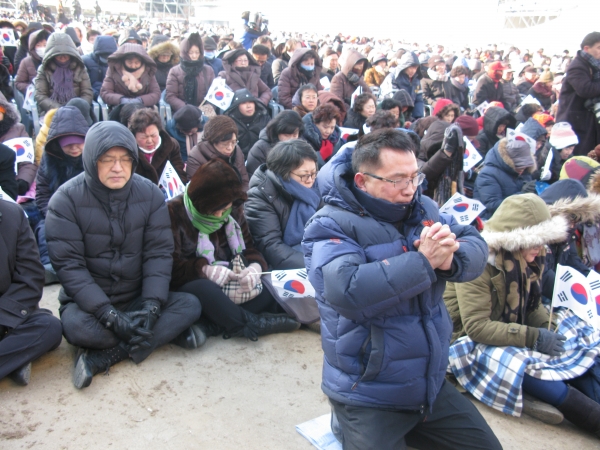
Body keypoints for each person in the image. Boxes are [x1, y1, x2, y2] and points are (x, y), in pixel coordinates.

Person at [302, 128, 501, 450]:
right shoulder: (329, 224)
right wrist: (423, 263)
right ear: (362, 180)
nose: (409, 189)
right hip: (368, 389)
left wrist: (451, 259)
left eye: (414, 177)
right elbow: (346, 291)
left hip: (428, 383)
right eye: (397, 180)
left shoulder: (424, 209)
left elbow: (474, 241)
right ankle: (345, 423)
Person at [45, 121, 202, 389]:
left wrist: (152, 304)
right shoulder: (65, 200)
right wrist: (109, 315)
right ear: (91, 160)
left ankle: (107, 356)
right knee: (75, 328)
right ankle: (158, 336)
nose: (117, 168)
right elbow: (70, 267)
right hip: (90, 307)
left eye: (124, 160)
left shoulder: (150, 193)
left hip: (136, 296)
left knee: (190, 305)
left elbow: (158, 253)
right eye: (107, 160)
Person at [444, 194, 600, 437]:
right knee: (514, 359)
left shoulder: (527, 258)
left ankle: (585, 391)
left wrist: (549, 331)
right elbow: (476, 327)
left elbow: (533, 305)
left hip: (505, 327)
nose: (542, 248)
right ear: (515, 239)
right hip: (463, 340)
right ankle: (589, 416)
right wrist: (533, 337)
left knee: (574, 332)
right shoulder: (478, 262)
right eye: (536, 241)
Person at [168, 158, 300, 344]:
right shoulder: (174, 212)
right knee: (205, 290)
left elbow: (249, 248)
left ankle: (216, 324)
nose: (220, 215)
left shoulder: (234, 210)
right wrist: (204, 270)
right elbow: (168, 268)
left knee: (265, 284)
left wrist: (254, 267)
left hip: (231, 281)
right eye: (215, 210)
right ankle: (249, 323)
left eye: (225, 209)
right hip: (194, 285)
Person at [0, 199, 63, 386]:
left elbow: (31, 277)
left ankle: (12, 359)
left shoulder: (11, 214)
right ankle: (13, 361)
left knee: (49, 327)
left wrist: (3, 316)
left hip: (5, 315)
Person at [246, 139, 321, 270]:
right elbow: (271, 246)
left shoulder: (316, 186)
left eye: (314, 173)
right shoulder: (260, 195)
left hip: (316, 253)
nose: (310, 180)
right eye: (304, 175)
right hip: (284, 266)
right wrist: (317, 265)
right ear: (284, 173)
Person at [557, 32, 600, 156]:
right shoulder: (577, 66)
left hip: (587, 121)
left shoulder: (595, 66)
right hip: (575, 122)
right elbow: (585, 89)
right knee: (580, 158)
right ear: (587, 48)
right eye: (598, 47)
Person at [474, 138, 536, 219]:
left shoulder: (525, 171)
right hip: (493, 220)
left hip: (518, 215)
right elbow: (493, 206)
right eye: (519, 166)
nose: (522, 169)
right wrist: (522, 194)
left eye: (525, 166)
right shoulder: (487, 175)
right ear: (509, 161)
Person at [34, 33, 93, 115]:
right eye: (58, 54)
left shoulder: (80, 68)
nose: (63, 57)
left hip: (77, 112)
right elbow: (41, 96)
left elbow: (87, 93)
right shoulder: (44, 69)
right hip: (52, 112)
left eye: (66, 54)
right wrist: (60, 109)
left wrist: (77, 108)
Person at [186, 115, 249, 190]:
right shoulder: (196, 157)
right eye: (225, 144)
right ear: (213, 142)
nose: (230, 148)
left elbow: (244, 182)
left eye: (233, 142)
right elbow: (198, 192)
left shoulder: (237, 150)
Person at [128, 108, 187, 185]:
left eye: (153, 135)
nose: (149, 141)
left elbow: (178, 172)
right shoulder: (128, 149)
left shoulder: (171, 145)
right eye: (143, 137)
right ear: (135, 136)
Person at [165, 32, 215, 113]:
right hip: (183, 111)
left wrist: (204, 110)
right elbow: (171, 96)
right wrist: (188, 109)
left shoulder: (208, 70)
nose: (194, 56)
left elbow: (213, 95)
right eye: (191, 53)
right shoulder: (174, 71)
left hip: (204, 111)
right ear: (184, 53)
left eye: (197, 52)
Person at [100, 43, 161, 108]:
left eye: (137, 63)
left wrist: (140, 100)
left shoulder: (148, 71)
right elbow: (105, 92)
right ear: (123, 61)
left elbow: (156, 93)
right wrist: (121, 100)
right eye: (129, 62)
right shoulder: (114, 70)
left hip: (144, 108)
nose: (133, 66)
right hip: (120, 107)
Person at [246, 110, 304, 176]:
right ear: (277, 132)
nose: (291, 139)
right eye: (286, 135)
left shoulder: (302, 146)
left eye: (294, 135)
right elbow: (256, 179)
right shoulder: (260, 149)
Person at [224, 88, 270, 160]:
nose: (249, 106)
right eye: (244, 103)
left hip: (262, 159)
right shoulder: (229, 122)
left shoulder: (264, 118)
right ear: (237, 106)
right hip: (237, 160)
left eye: (251, 102)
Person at [81, 35, 118, 101]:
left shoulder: (117, 62)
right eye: (104, 55)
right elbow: (84, 85)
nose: (106, 58)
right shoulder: (85, 61)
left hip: (110, 95)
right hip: (92, 96)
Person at [14, 29, 49, 95]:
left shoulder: (54, 60)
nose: (42, 48)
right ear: (33, 46)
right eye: (38, 45)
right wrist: (31, 88)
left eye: (45, 45)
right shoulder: (26, 62)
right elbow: (18, 83)